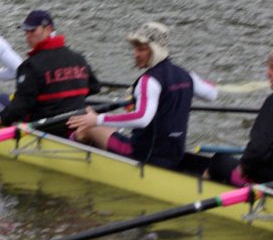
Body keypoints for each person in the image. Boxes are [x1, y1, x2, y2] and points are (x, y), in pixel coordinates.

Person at [67, 21, 217, 169]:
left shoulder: (149, 80)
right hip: (174, 154)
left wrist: (96, 119)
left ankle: (68, 156)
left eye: (142, 49)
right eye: (135, 49)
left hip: (144, 156)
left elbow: (141, 118)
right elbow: (211, 95)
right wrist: (208, 84)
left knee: (89, 124)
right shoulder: (187, 76)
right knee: (100, 122)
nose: (136, 54)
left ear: (155, 50)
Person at [0, 10, 100, 136]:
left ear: (48, 29)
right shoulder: (78, 58)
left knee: (0, 100)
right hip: (73, 123)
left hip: (44, 128)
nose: (28, 36)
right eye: (26, 31)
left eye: (32, 31)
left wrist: (0, 120)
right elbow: (94, 87)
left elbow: (20, 108)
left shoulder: (31, 65)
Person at [207, 52, 273, 186]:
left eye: (272, 68)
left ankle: (199, 192)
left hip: (264, 180)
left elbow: (258, 149)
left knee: (218, 161)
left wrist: (243, 167)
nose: (267, 74)